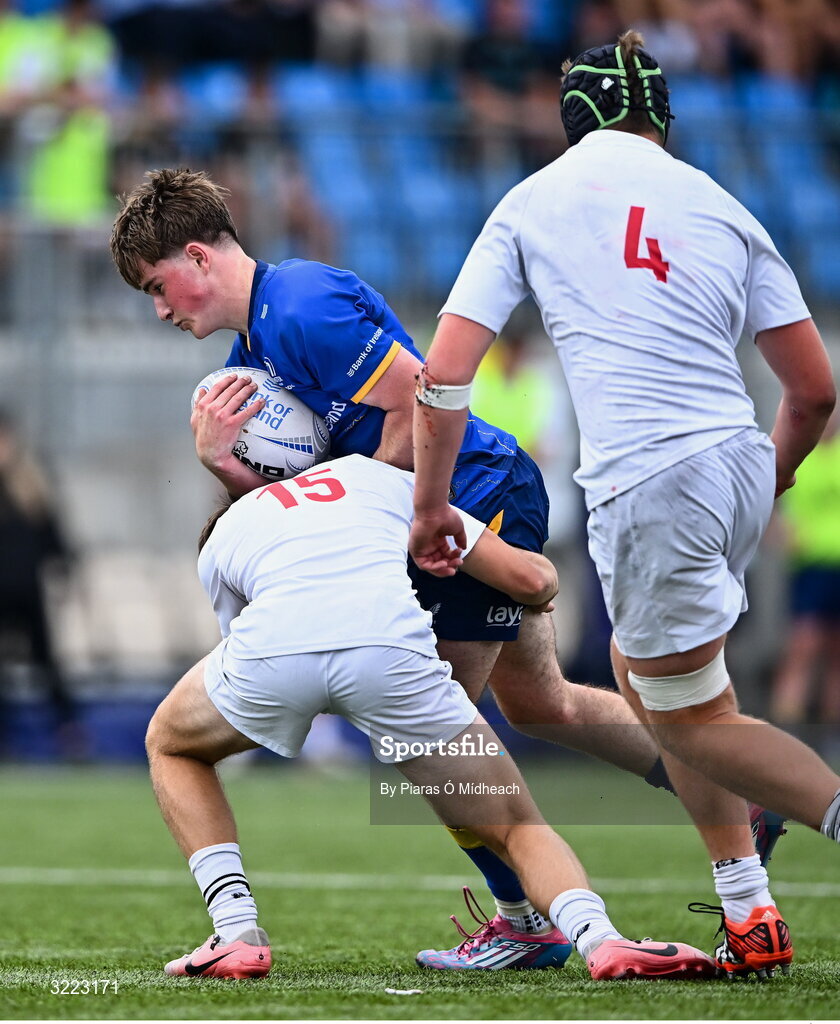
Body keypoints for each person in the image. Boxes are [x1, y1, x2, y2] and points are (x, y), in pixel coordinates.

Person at [110, 167, 780, 972]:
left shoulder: (298, 309)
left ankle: (527, 923)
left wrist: (379, 522)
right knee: (540, 706)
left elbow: (419, 401)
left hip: (471, 494)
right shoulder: (257, 342)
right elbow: (305, 496)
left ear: (196, 256)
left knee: (429, 740)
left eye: (157, 285)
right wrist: (226, 467)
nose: (159, 309)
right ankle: (728, 793)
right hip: (449, 508)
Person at [408, 29, 840, 980]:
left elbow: (442, 380)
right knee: (653, 680)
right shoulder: (726, 206)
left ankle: (800, 835)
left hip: (651, 475)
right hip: (733, 459)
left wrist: (431, 506)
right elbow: (812, 392)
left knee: (693, 722)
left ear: (570, 116)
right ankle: (750, 911)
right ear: (661, 115)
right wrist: (768, 475)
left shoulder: (533, 200)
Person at [147, 452, 715, 981]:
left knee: (172, 744)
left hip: (277, 653)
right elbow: (535, 581)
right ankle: (601, 939)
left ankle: (236, 932)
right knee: (519, 826)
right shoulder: (382, 476)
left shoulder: (223, 533)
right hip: (392, 655)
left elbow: (246, 634)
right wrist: (542, 591)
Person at [770, 411, 840, 726]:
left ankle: (831, 737)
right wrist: (779, 532)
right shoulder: (796, 457)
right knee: (804, 647)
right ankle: (786, 732)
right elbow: (767, 506)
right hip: (811, 569)